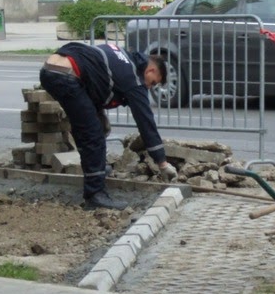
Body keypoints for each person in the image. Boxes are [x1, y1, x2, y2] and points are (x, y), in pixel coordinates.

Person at [39, 42, 177, 210]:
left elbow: (96, 74)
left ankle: (96, 171)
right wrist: (162, 163)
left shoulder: (122, 55)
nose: (150, 87)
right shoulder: (133, 78)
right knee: (92, 134)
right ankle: (95, 195)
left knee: (97, 126)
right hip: (66, 76)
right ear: (151, 71)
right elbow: (146, 122)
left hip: (52, 69)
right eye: (153, 83)